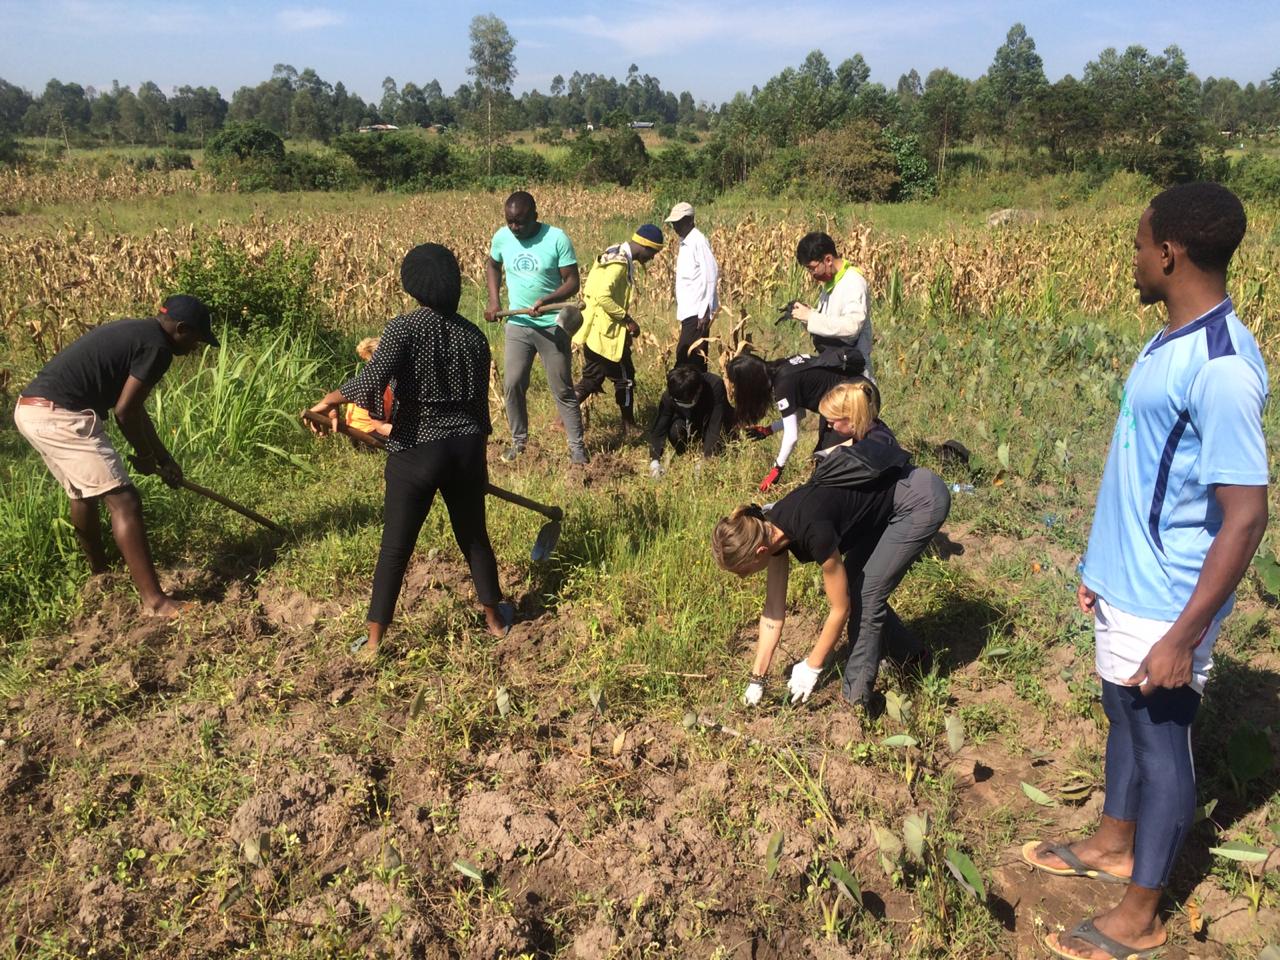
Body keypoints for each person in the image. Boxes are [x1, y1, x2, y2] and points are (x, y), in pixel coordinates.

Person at [1023, 183, 1268, 960]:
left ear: (1169, 254)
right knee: (1120, 712)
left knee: (1162, 747)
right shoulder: (1171, 336)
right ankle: (1112, 842)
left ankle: (1143, 911)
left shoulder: (1223, 367)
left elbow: (1247, 515)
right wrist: (1101, 562)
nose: (1132, 258)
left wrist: (1183, 633)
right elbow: (1142, 466)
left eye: (1138, 245)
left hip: (1170, 599)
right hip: (1128, 580)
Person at [309, 244, 514, 656]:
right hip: (466, 447)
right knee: (474, 536)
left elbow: (371, 381)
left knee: (396, 547)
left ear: (412, 286)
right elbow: (479, 406)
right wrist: (475, 462)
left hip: (417, 450)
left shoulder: (404, 328)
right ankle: (495, 620)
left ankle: (373, 641)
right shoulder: (473, 335)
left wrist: (331, 398)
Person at [13, 294, 218, 618]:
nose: (196, 347)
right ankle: (157, 602)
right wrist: (144, 455)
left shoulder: (140, 332)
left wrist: (162, 458)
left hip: (31, 410)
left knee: (83, 493)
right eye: (197, 339)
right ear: (181, 329)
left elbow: (135, 410)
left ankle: (101, 578)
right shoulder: (158, 349)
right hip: (61, 416)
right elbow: (125, 412)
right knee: (125, 501)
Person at [813, 381, 950, 709]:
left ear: (853, 417)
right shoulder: (863, 434)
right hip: (896, 509)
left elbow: (833, 470)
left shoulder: (878, 443)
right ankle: (913, 656)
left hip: (921, 505)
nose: (829, 426)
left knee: (869, 593)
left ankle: (855, 697)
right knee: (853, 581)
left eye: (834, 420)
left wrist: (832, 456)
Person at [710, 477, 897, 708]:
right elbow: (773, 612)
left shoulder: (812, 531)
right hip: (872, 518)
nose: (742, 578)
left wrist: (812, 666)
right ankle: (914, 658)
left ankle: (857, 703)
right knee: (856, 586)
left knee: (864, 596)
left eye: (743, 571)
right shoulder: (773, 536)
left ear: (760, 551)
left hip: (908, 504)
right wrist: (757, 679)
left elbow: (840, 608)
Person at [483, 191, 587, 465]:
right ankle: (520, 443)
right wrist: (494, 301)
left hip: (551, 326)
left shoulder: (556, 238)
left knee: (562, 388)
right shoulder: (502, 237)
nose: (515, 228)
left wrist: (548, 299)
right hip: (518, 324)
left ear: (535, 217)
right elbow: (493, 265)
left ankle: (577, 448)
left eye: (520, 222)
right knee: (513, 384)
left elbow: (572, 282)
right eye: (510, 222)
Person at [725, 345, 865, 492]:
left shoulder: (783, 385)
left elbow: (792, 436)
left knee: (830, 466)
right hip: (854, 393)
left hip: (854, 401)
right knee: (821, 460)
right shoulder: (783, 367)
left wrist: (777, 468)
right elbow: (800, 414)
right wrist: (769, 430)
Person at [572, 224, 666, 434]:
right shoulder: (620, 264)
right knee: (625, 377)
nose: (652, 258)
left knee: (592, 378)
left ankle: (562, 418)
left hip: (595, 329)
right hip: (608, 333)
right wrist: (627, 319)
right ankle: (628, 424)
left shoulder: (613, 252)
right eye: (653, 252)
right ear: (645, 246)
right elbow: (603, 296)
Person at [790, 231, 873, 369]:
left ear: (828, 260)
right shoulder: (831, 282)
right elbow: (830, 320)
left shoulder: (853, 282)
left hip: (853, 373)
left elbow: (851, 327)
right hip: (835, 363)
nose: (812, 274)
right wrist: (809, 314)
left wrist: (812, 317)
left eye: (812, 268)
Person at [648, 364, 733, 476]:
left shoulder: (714, 385)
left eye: (687, 402)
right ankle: (685, 453)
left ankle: (708, 450)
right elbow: (660, 428)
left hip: (713, 418)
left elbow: (715, 424)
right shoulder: (671, 395)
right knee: (675, 431)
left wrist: (706, 460)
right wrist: (654, 462)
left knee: (725, 438)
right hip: (690, 423)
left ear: (699, 390)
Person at [665, 202, 719, 371]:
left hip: (697, 313)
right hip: (688, 312)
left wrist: (705, 312)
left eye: (678, 222)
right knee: (693, 360)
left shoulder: (698, 241)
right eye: (673, 223)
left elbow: (711, 275)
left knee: (686, 359)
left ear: (689, 220)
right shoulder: (685, 243)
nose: (674, 226)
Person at [344, 337, 394, 443]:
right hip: (366, 434)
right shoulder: (378, 386)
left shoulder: (369, 379)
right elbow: (380, 426)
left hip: (359, 428)